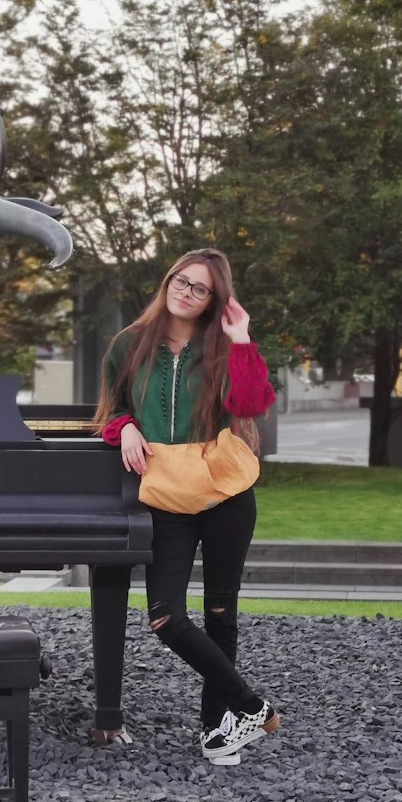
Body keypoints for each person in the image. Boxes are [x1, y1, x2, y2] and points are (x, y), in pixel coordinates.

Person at [93, 248, 279, 765]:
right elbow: (113, 408)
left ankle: (218, 731)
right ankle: (251, 706)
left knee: (221, 612)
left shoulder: (223, 348)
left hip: (225, 492)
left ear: (213, 299)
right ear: (168, 280)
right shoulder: (129, 345)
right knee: (165, 617)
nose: (186, 291)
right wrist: (124, 428)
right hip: (167, 494)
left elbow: (251, 404)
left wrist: (240, 338)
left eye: (200, 288)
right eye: (181, 280)